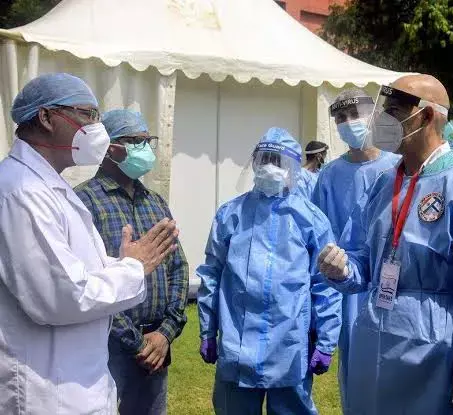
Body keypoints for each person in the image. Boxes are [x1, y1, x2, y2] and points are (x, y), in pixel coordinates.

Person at [318, 75, 453, 415]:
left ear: (426, 116)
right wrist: (342, 269)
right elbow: (363, 259)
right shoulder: (385, 183)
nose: (382, 119)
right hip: (375, 341)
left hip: (437, 353)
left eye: (394, 111)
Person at [0, 73, 179, 414]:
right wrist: (133, 267)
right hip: (48, 393)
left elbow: (77, 269)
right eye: (88, 115)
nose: (97, 128)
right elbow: (63, 295)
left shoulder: (50, 187)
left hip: (77, 382)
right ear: (46, 117)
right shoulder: (22, 192)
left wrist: (121, 263)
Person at [197, 127, 342, 415]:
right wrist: (207, 330)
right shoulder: (231, 214)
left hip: (289, 347)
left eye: (278, 161)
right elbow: (212, 274)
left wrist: (326, 341)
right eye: (264, 159)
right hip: (237, 344)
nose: (270, 167)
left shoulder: (311, 219)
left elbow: (325, 284)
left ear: (293, 169)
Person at [74, 109, 189, 414]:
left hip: (157, 344)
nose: (146, 149)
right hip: (108, 346)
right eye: (136, 141)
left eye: (148, 141)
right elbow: (85, 282)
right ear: (110, 148)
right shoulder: (83, 202)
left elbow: (178, 267)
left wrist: (166, 332)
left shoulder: (155, 201)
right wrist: (136, 342)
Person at [312, 88, 400, 408]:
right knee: (355, 373)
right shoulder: (329, 175)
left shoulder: (397, 167)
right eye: (341, 118)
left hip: (391, 278)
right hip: (346, 284)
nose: (348, 123)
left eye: (354, 115)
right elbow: (320, 239)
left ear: (373, 116)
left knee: (395, 368)